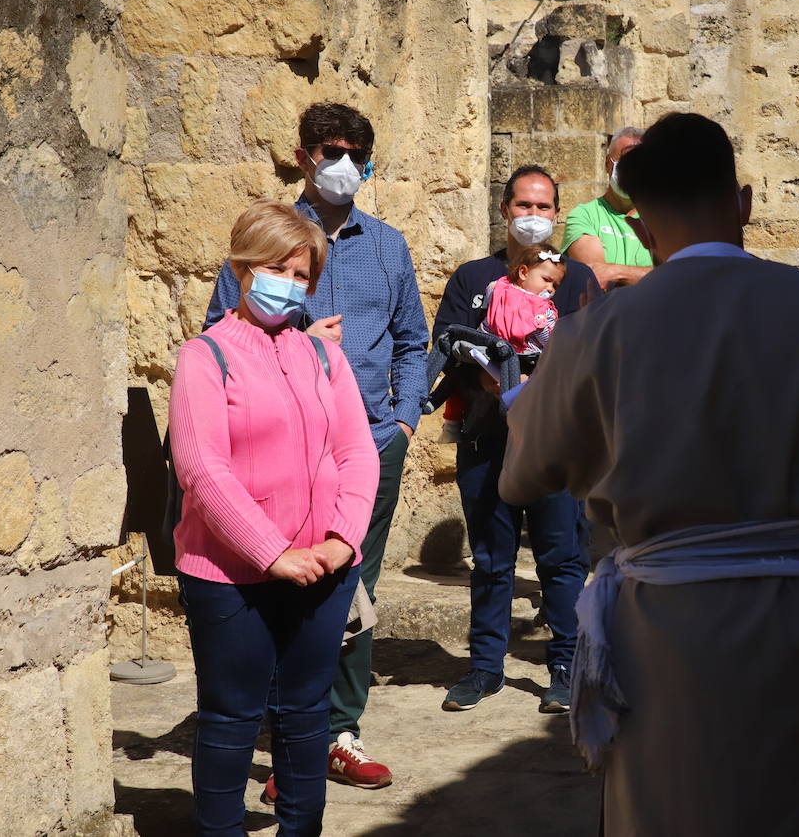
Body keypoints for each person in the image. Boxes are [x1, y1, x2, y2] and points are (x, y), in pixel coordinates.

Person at [498, 113, 799, 836]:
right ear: (743, 203)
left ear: (646, 232)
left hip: (673, 637)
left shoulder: (600, 331)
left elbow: (523, 474)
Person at [203, 102, 429, 790]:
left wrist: (404, 422)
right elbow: (219, 332)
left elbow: (415, 341)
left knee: (354, 590)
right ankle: (288, 739)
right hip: (280, 449)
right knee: (280, 584)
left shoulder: (388, 245)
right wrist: (302, 340)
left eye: (357, 154)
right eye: (331, 151)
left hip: (370, 446)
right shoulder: (270, 242)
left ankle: (337, 732)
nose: (344, 165)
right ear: (302, 155)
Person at [172, 199, 380, 835]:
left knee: (307, 715)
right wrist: (271, 552)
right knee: (232, 720)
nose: (288, 284)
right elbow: (204, 469)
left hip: (324, 568)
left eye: (300, 274)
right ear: (242, 268)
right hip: (231, 576)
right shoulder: (204, 358)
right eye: (275, 268)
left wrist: (344, 540)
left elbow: (355, 452)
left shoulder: (323, 357)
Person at [433, 166, 595, 713]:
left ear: (556, 214)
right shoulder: (472, 277)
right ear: (504, 210)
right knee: (491, 558)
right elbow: (448, 340)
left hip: (554, 443)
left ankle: (566, 666)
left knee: (561, 556)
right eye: (523, 205)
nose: (533, 216)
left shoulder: (574, 279)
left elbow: (595, 350)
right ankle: (484, 669)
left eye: (543, 207)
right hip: (485, 437)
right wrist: (491, 375)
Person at [439, 244, 566, 440]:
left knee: (521, 392)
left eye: (555, 285)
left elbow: (549, 341)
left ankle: (520, 421)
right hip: (492, 349)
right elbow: (488, 315)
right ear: (523, 273)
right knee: (455, 369)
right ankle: (447, 415)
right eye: (546, 280)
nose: (550, 289)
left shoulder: (545, 310)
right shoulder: (499, 288)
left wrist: (540, 326)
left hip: (527, 358)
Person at [561, 127, 651, 288]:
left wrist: (616, 273)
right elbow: (596, 279)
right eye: (626, 162)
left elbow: (675, 276)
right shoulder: (584, 215)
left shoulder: (659, 221)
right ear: (608, 165)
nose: (633, 171)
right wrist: (650, 275)